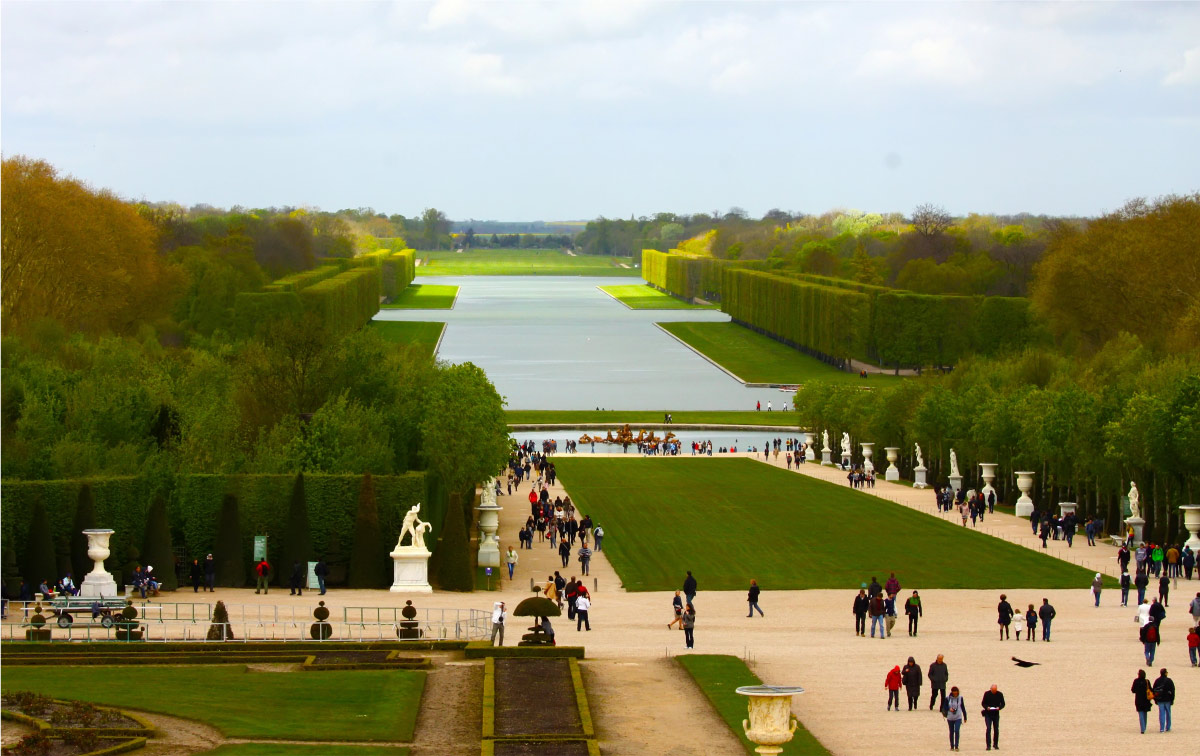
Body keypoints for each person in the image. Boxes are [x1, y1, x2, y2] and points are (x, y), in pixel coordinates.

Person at [981, 684, 1005, 751]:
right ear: (990, 689)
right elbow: (983, 703)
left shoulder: (1000, 694)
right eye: (993, 690)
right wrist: (987, 707)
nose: (994, 692)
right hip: (988, 714)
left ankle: (995, 744)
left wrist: (999, 708)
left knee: (996, 729)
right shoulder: (987, 694)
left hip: (996, 714)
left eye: (995, 690)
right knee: (988, 729)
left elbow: (1003, 704)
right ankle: (988, 745)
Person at [944, 685, 966, 751]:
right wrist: (949, 709)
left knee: (957, 730)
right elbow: (944, 706)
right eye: (954, 692)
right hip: (950, 717)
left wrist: (965, 716)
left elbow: (963, 707)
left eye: (956, 692)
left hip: (958, 717)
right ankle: (952, 746)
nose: (955, 693)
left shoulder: (960, 698)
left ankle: (956, 746)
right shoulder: (947, 698)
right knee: (951, 732)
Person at [1131, 669, 1153, 734]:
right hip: (1146, 700)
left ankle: (1142, 729)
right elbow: (1150, 689)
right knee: (1145, 713)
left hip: (1139, 700)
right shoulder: (1147, 681)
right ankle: (1144, 727)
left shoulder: (1136, 681)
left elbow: (1133, 690)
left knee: (1140, 713)